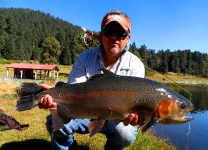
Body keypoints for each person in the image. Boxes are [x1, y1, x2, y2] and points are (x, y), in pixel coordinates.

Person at [39, 10, 145, 150]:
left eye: (120, 33)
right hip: (83, 113)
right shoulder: (84, 58)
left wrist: (137, 114)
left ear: (128, 37)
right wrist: (53, 96)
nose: (114, 37)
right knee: (54, 121)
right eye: (108, 31)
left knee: (124, 133)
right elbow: (73, 93)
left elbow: (137, 104)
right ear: (101, 35)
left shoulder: (135, 65)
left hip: (117, 118)